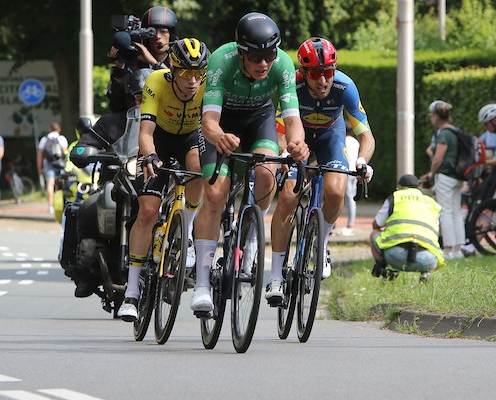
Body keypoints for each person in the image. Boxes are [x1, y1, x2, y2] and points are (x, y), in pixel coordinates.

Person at [192, 12, 310, 312]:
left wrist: (297, 143)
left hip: (259, 118)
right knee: (216, 195)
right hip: (221, 122)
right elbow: (208, 121)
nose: (263, 64)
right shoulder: (221, 61)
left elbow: (292, 118)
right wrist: (219, 136)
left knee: (268, 175)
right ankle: (203, 284)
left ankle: (252, 234)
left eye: (269, 56)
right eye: (256, 57)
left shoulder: (282, 64)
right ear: (242, 52)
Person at [271, 36, 374, 301]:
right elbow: (281, 128)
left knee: (336, 190)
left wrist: (362, 161)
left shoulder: (345, 86)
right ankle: (275, 276)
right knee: (287, 196)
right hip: (299, 137)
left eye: (328, 72)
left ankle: (322, 244)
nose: (323, 80)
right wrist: (284, 153)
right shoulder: (291, 85)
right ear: (303, 72)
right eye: (316, 74)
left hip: (330, 137)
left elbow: (366, 136)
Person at [117, 38, 209, 321]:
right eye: (185, 73)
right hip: (159, 140)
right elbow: (145, 132)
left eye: (198, 73)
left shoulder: (207, 84)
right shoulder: (156, 82)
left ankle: (189, 232)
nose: (193, 81)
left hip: (190, 138)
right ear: (172, 68)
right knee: (146, 211)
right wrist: (152, 156)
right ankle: (131, 292)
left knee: (198, 169)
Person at [69, 69, 153, 299]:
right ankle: (84, 271)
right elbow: (88, 141)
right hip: (115, 186)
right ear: (130, 97)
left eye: (149, 97)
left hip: (152, 186)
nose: (143, 102)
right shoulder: (112, 123)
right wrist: (83, 150)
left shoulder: (165, 125)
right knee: (87, 208)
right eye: (139, 97)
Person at [370, 174, 444, 281]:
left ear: (399, 187)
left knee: (374, 233)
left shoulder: (394, 197)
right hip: (428, 259)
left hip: (395, 256)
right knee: (433, 247)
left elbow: (376, 225)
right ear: (418, 187)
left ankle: (385, 269)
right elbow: (436, 231)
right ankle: (426, 274)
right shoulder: (431, 202)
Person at [107, 6, 178, 113]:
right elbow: (116, 106)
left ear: (171, 36)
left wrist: (154, 63)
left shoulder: (178, 61)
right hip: (136, 123)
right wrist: (119, 68)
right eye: (153, 33)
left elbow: (178, 89)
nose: (158, 36)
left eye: (163, 32)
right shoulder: (133, 62)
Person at [423, 100, 465, 260]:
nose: (431, 119)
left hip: (445, 176)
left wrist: (432, 173)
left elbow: (438, 159)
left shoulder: (444, 134)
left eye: (432, 116)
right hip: (457, 176)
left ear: (437, 117)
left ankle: (448, 250)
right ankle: (458, 250)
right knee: (456, 212)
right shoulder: (455, 131)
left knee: (445, 212)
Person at [37, 122, 68, 214]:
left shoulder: (44, 139)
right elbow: (65, 152)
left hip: (48, 163)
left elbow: (40, 155)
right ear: (59, 130)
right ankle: (61, 203)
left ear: (50, 129)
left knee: (50, 184)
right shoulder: (62, 139)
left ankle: (50, 206)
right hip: (60, 163)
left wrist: (40, 167)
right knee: (60, 183)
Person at [341, 121, 360, 236]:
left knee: (340, 198)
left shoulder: (343, 142)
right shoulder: (356, 142)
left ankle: (346, 225)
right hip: (354, 172)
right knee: (351, 198)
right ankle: (351, 223)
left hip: (345, 171)